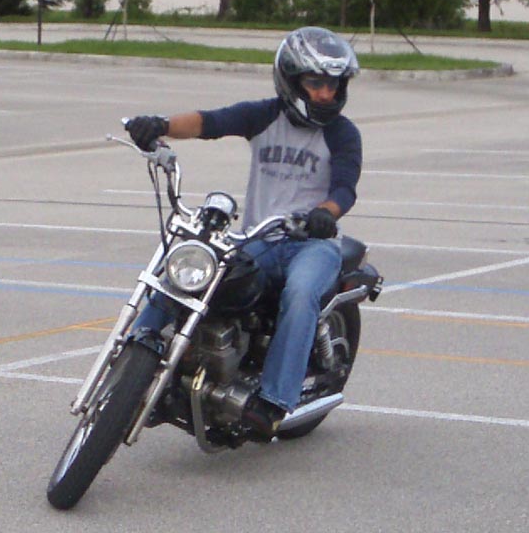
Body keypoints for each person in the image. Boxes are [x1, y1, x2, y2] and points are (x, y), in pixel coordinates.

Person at [123, 26, 363, 438]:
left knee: (301, 293)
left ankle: (273, 402)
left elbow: (344, 187)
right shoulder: (265, 116)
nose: (326, 93)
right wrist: (159, 125)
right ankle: (136, 352)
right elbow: (210, 122)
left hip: (312, 243)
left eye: (333, 85)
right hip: (258, 240)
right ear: (291, 81)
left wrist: (325, 213)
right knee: (187, 273)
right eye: (315, 83)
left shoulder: (342, 133)